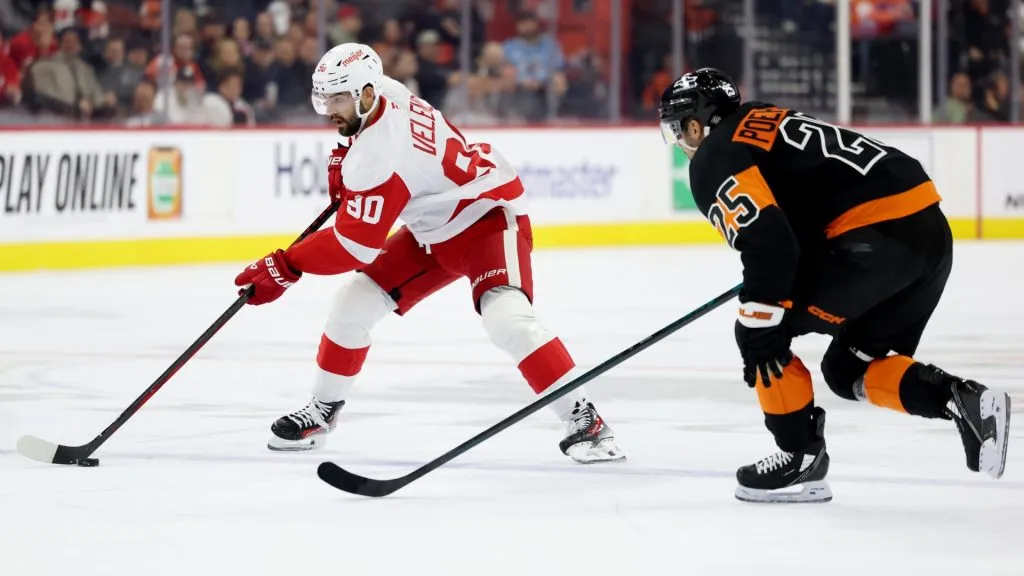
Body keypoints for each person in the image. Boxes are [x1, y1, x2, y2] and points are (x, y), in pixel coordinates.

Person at [233, 43, 625, 464]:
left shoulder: (381, 154)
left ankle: (586, 420)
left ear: (366, 93)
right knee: (353, 303)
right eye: (324, 97)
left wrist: (287, 265)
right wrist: (349, 159)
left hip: (485, 220)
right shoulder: (386, 93)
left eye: (338, 98)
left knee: (507, 317)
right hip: (431, 230)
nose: (329, 108)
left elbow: (354, 245)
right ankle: (322, 411)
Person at [658, 67, 1011, 503]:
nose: (682, 144)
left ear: (696, 123)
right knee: (846, 370)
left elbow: (770, 243)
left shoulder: (714, 155)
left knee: (758, 328)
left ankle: (799, 459)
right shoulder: (762, 119)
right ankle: (961, 399)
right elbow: (805, 213)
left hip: (875, 242)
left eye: (679, 131)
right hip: (928, 233)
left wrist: (762, 308)